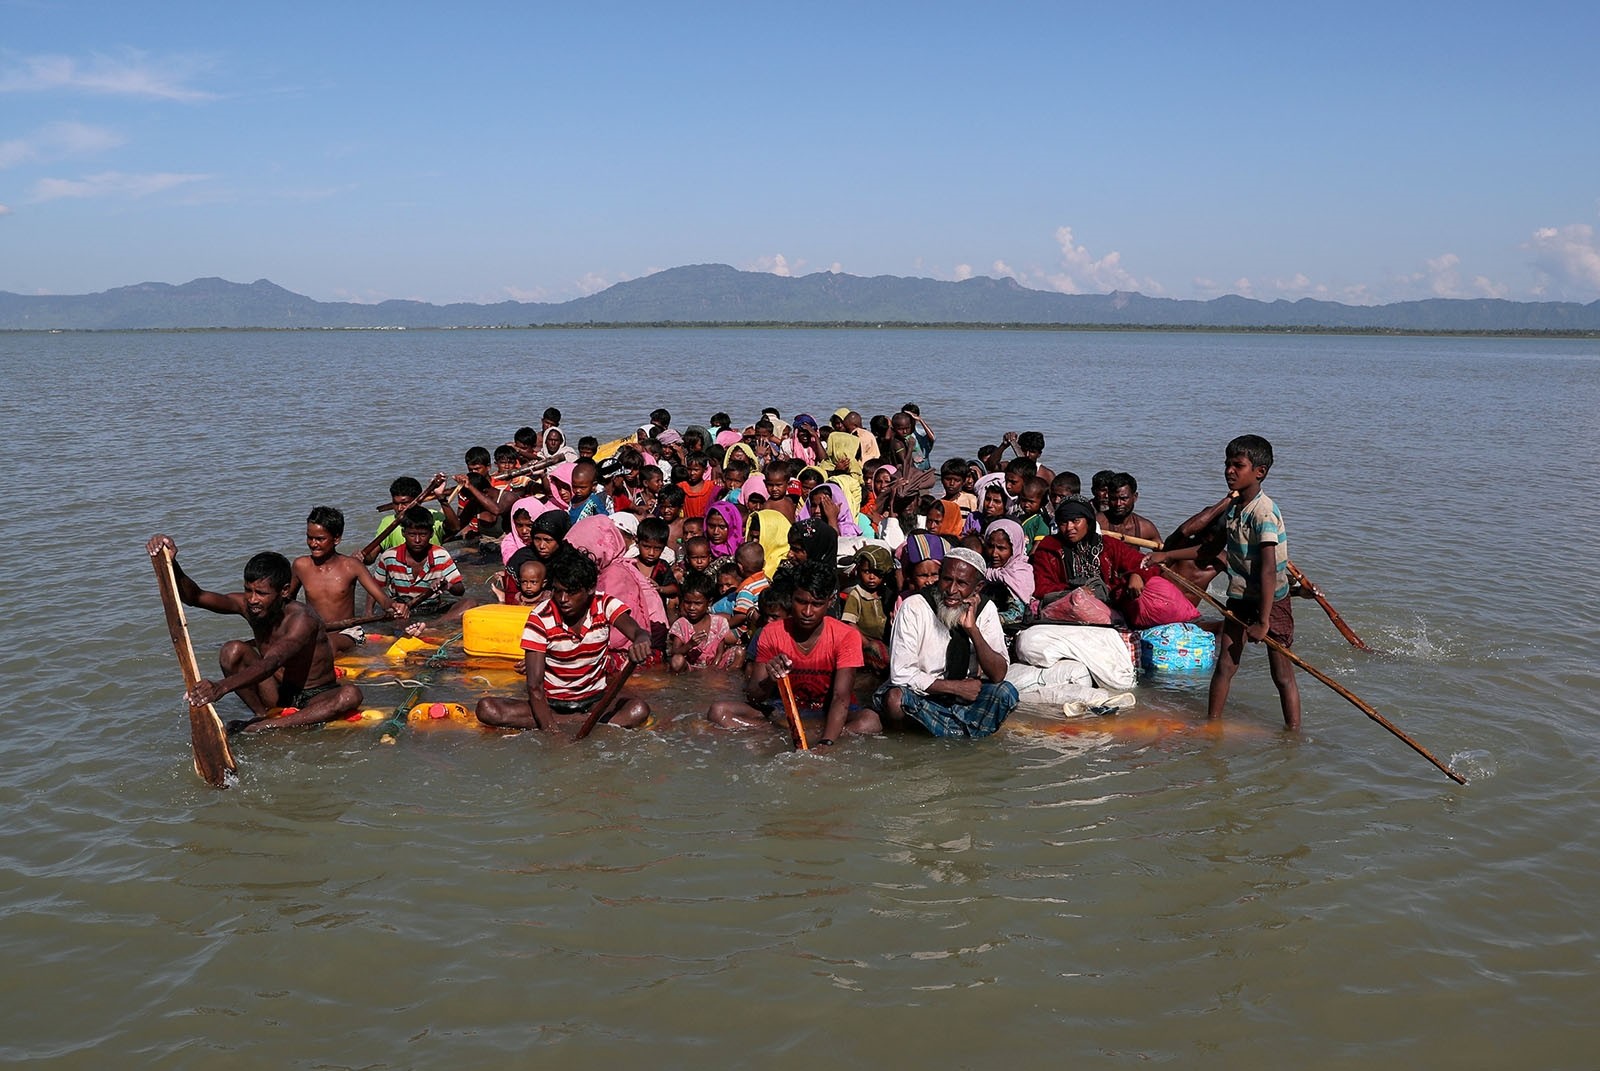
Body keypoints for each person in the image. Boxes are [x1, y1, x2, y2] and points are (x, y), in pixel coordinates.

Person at [1147, 435, 1300, 729]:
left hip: (1272, 600)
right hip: (1241, 597)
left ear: (1260, 472)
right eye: (1227, 464)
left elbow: (1268, 570)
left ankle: (1293, 734)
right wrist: (1165, 555)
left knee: (1282, 675)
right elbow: (1211, 551)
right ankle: (1211, 725)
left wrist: (1264, 622)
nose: (1229, 471)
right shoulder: (1234, 509)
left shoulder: (1264, 512)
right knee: (1226, 665)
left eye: (1238, 465)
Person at [145, 534, 363, 730]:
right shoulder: (247, 606)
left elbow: (272, 662)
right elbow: (196, 597)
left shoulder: (301, 619)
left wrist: (221, 688)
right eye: (248, 590)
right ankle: (260, 714)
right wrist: (172, 563)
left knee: (350, 695)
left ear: (284, 591)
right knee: (232, 650)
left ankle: (265, 726)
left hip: (316, 694)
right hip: (279, 692)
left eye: (261, 593)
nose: (252, 599)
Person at [474, 545, 653, 732]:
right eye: (558, 591)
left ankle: (575, 721)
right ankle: (580, 722)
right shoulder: (540, 617)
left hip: (594, 700)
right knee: (487, 709)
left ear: (590, 589)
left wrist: (641, 641)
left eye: (571, 592)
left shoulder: (604, 604)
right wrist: (552, 732)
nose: (563, 599)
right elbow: (535, 687)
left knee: (638, 709)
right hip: (552, 704)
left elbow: (638, 633)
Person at [707, 561, 875, 744]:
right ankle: (790, 733)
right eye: (801, 602)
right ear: (791, 597)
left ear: (830, 601)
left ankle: (807, 735)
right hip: (783, 712)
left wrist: (826, 744)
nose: (807, 612)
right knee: (719, 711)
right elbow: (754, 695)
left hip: (829, 713)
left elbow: (840, 697)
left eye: (817, 604)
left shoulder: (847, 636)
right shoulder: (771, 633)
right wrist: (771, 678)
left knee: (870, 721)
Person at [873, 548, 1018, 738]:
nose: (951, 590)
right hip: (923, 696)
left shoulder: (986, 609)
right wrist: (956, 687)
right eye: (947, 579)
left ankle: (949, 731)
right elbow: (901, 674)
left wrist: (973, 630)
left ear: (978, 587)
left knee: (1005, 693)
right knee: (895, 700)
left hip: (965, 698)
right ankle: (920, 736)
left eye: (962, 583)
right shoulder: (914, 607)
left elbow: (999, 674)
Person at [288, 506, 402, 652]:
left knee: (329, 644)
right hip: (317, 633)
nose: (313, 543)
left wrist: (394, 606)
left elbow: (382, 599)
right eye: (309, 537)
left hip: (348, 634)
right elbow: (287, 602)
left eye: (320, 539)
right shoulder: (300, 566)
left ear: (336, 539)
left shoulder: (352, 566)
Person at [371, 506, 467, 613]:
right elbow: (375, 587)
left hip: (431, 607)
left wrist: (447, 585)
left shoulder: (441, 555)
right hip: (400, 609)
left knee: (468, 604)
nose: (417, 540)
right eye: (412, 535)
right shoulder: (389, 556)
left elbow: (460, 590)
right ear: (404, 533)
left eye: (423, 535)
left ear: (431, 534)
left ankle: (433, 625)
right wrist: (368, 613)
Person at [668, 571, 741, 671]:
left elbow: (720, 652)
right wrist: (690, 644)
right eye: (688, 602)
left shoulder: (719, 622)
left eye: (698, 603)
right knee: (677, 660)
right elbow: (675, 652)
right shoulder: (681, 624)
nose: (692, 607)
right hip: (691, 667)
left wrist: (711, 670)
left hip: (714, 666)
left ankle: (725, 679)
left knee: (739, 652)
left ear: (709, 602)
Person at [840, 544, 896, 670]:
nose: (871, 577)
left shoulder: (888, 594)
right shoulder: (856, 594)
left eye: (877, 573)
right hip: (866, 643)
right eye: (866, 572)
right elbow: (850, 624)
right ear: (859, 571)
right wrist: (867, 644)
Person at [1103, 472, 1162, 543]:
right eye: (1113, 499)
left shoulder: (1145, 528)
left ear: (1135, 497)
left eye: (1123, 499)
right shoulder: (1098, 523)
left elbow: (1162, 552)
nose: (1118, 504)